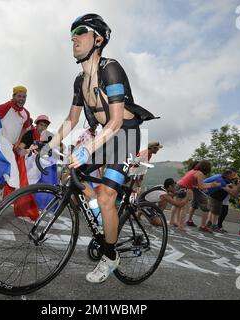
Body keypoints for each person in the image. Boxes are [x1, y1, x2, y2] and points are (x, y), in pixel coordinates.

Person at [42, 13, 157, 284]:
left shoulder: (111, 69)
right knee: (72, 175)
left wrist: (85, 149)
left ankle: (110, 253)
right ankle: (103, 218)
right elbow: (71, 120)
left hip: (124, 136)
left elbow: (116, 121)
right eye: (71, 34)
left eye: (80, 32)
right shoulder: (79, 81)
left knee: (106, 195)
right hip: (104, 137)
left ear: (98, 39)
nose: (74, 38)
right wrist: (48, 145)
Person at [0, 86, 32, 209]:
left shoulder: (26, 114)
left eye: (24, 96)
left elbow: (24, 129)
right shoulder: (5, 107)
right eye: (19, 96)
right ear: (13, 96)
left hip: (10, 147)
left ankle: (0, 196)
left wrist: (18, 141)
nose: (21, 99)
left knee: (6, 172)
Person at [171, 161, 221, 232]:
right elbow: (201, 187)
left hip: (178, 185)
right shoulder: (200, 173)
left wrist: (211, 184)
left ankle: (176, 222)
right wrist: (212, 185)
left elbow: (198, 185)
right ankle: (181, 226)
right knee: (185, 208)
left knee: (179, 207)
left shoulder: (193, 171)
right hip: (184, 188)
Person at [202, 168, 240, 233]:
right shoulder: (221, 180)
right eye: (233, 174)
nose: (234, 176)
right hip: (215, 196)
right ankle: (213, 226)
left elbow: (234, 192)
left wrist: (237, 185)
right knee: (216, 212)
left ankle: (209, 224)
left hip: (215, 196)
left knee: (214, 211)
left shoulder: (224, 179)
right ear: (228, 174)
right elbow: (233, 192)